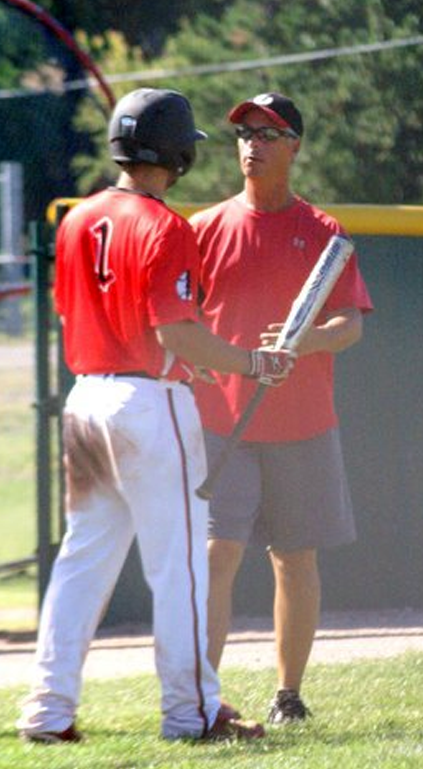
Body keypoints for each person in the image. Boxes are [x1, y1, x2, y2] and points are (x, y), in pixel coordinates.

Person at [17, 88, 295, 743]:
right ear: (174, 152)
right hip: (148, 404)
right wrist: (248, 362)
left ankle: (48, 712)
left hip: (86, 399)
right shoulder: (165, 225)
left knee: (81, 562)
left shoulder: (78, 218)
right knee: (179, 567)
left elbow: (82, 317)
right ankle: (190, 711)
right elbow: (176, 335)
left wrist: (176, 358)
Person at [189, 91, 374, 724]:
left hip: (302, 425)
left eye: (268, 133)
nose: (252, 144)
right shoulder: (205, 229)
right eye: (244, 133)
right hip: (223, 422)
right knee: (217, 555)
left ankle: (288, 695)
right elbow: (181, 321)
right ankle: (201, 696)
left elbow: (349, 323)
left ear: (294, 144)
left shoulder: (323, 232)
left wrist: (306, 341)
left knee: (295, 559)